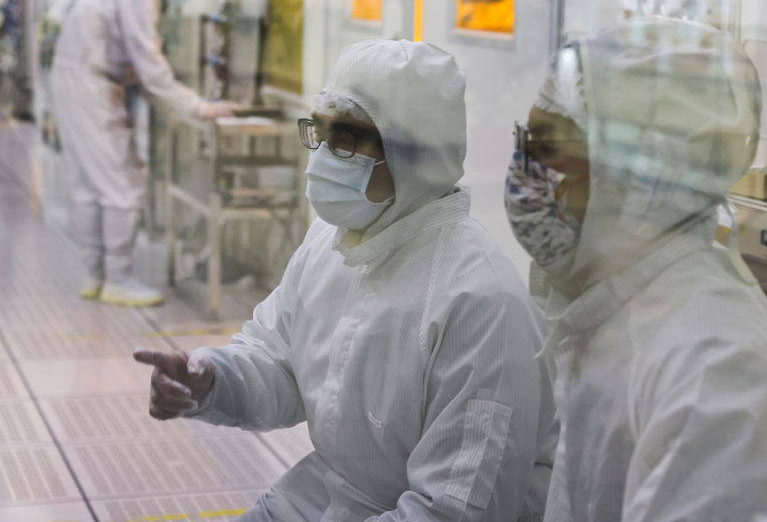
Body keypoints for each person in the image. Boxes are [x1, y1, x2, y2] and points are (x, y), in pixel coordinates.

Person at [133, 40, 556, 522]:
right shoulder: (332, 242)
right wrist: (209, 380)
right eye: (321, 130)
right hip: (326, 496)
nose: (323, 158)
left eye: (347, 139)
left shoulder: (479, 304)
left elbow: (454, 510)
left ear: (412, 153)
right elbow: (280, 363)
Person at [504, 17, 767, 521]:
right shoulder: (611, 306)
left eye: (548, 148)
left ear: (641, 172)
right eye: (525, 141)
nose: (523, 171)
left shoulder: (713, 362)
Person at [50, 0, 239, 307]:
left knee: (91, 186)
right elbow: (150, 66)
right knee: (122, 183)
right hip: (90, 86)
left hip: (79, 81)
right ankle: (118, 279)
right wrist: (198, 107)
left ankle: (95, 275)